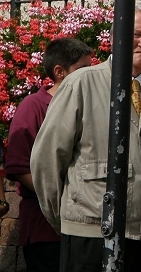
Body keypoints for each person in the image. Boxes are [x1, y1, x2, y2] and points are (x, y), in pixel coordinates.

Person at [31, 3, 141, 272]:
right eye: (135, 34)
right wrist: (68, 219)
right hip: (89, 236)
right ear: (114, 36)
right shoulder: (81, 84)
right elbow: (47, 161)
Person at [5, 37, 92, 272]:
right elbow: (19, 167)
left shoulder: (89, 106)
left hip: (84, 226)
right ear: (59, 71)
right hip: (45, 230)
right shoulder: (33, 106)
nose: (89, 75)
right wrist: (60, 198)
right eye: (82, 69)